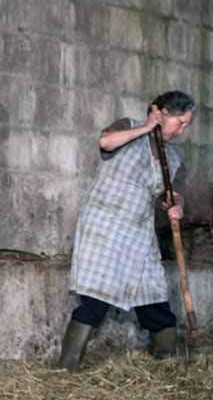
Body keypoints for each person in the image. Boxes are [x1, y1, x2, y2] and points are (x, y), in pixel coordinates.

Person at [58, 90, 196, 371]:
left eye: (187, 124)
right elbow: (105, 142)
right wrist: (146, 128)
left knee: (154, 298)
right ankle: (66, 368)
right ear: (162, 113)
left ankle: (166, 363)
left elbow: (172, 195)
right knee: (95, 299)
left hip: (139, 234)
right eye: (180, 121)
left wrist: (176, 205)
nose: (183, 129)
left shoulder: (174, 158)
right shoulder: (128, 125)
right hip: (106, 227)